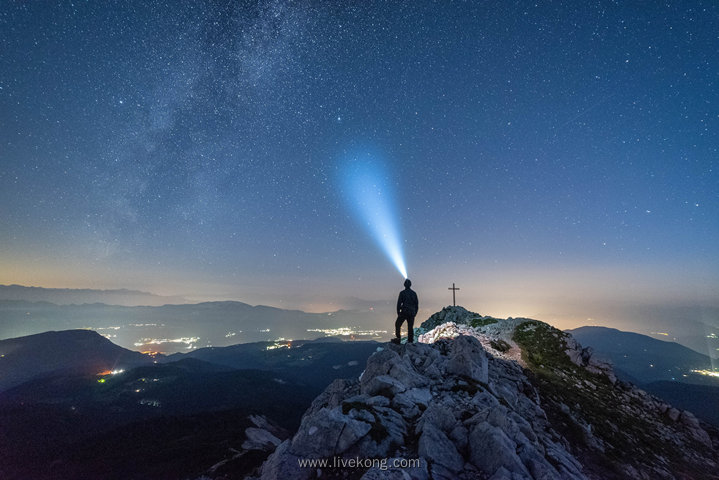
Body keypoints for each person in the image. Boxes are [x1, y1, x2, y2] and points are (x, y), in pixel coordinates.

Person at [392, 278, 418, 344]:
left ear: (404, 285)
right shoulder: (414, 293)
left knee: (398, 324)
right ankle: (410, 341)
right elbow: (416, 304)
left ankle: (398, 339)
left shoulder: (402, 293)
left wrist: (398, 313)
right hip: (411, 313)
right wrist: (415, 313)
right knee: (410, 327)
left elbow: (399, 304)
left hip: (404, 312)